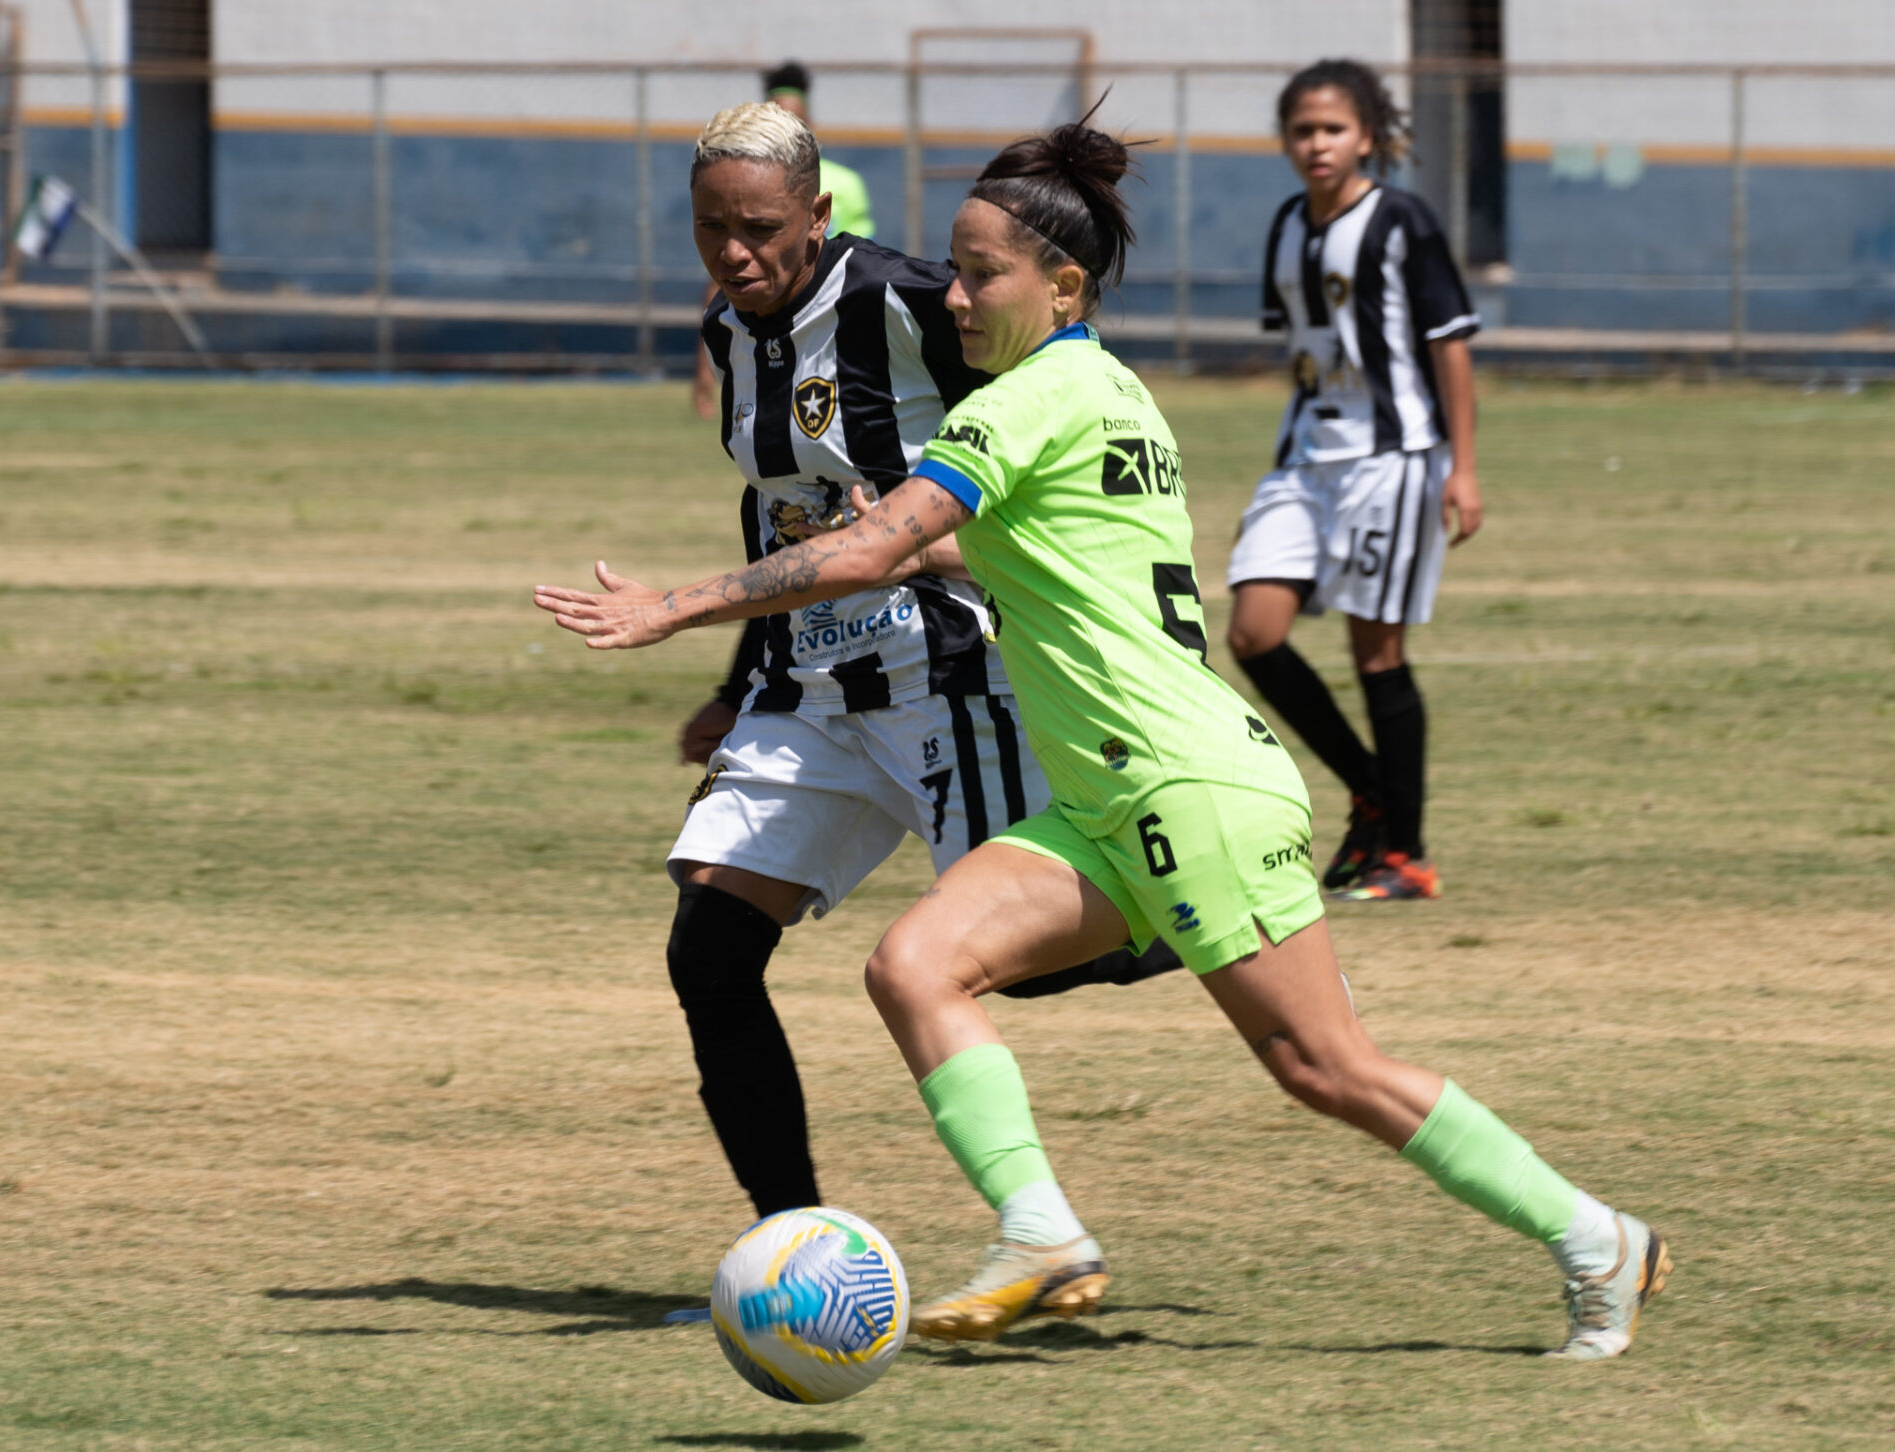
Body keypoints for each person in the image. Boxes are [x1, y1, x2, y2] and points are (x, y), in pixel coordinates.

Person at [537, 114, 1671, 1364]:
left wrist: (675, 607)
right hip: (1102, 799)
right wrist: (883, 551)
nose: (953, 295)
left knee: (1326, 1069)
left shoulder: (1012, 408)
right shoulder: (1110, 395)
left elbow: (873, 552)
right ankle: (1041, 1234)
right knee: (914, 967)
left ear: (1061, 286)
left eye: (979, 277)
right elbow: (1029, 550)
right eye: (955, 272)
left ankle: (1597, 1238)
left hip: (1188, 788)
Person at [605, 101, 1176, 1227]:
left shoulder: (913, 303)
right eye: (711, 227)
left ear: (816, 215)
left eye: (762, 227)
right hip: (810, 691)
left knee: (1032, 961)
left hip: (949, 674)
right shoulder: (728, 331)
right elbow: (777, 517)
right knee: (710, 949)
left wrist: (952, 551)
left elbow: (1055, 442)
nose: (736, 252)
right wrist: (735, 693)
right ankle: (795, 1246)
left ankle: (1207, 921)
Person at [1226, 59, 1484, 902]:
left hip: (1394, 457)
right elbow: (1308, 352)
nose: (1317, 145)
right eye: (1302, 130)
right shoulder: (1288, 226)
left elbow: (1448, 343)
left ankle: (1404, 851)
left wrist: (1461, 467)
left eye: (1333, 129)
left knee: (1377, 652)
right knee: (1253, 633)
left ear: (1367, 135)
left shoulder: (1401, 220)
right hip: (1307, 458)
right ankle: (1373, 789)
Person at [692, 62, 874, 420]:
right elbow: (716, 290)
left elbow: (860, 266)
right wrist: (703, 369)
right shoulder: (739, 183)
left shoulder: (846, 184)